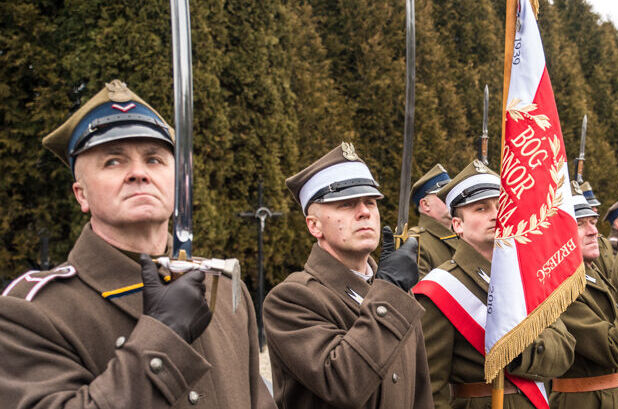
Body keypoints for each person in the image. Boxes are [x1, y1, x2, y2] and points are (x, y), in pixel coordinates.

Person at [0, 80, 275, 408]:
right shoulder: (33, 310)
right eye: (113, 161)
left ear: (177, 182)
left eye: (154, 159)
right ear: (81, 194)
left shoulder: (226, 289)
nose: (138, 173)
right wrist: (164, 333)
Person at [263, 142, 431, 409]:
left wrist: (391, 289)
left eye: (370, 202)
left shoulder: (396, 291)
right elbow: (342, 383)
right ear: (314, 225)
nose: (364, 211)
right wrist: (389, 290)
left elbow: (420, 392)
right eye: (346, 204)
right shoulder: (291, 298)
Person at [414, 160, 576, 409]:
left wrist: (516, 350)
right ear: (458, 225)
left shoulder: (528, 277)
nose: (496, 214)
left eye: (501, 205)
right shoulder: (440, 288)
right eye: (480, 209)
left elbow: (564, 351)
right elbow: (429, 389)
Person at [551, 186, 618, 409]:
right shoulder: (559, 287)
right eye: (580, 224)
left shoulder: (590, 274)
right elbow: (616, 350)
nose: (593, 231)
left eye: (592, 221)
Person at [409, 164, 459, 276]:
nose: (451, 199)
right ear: (425, 204)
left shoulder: (461, 235)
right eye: (444, 195)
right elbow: (416, 292)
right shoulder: (416, 242)